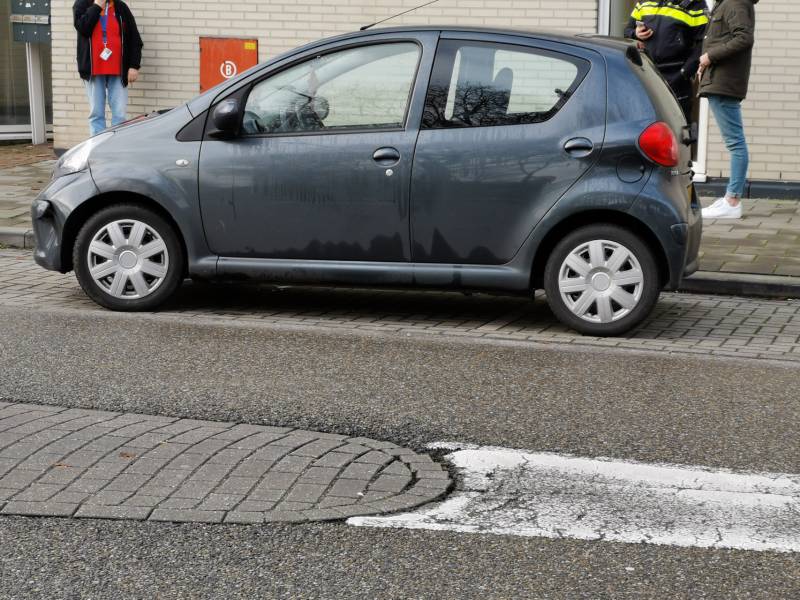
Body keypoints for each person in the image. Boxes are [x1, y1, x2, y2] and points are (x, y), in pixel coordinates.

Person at [698, 0, 758, 220]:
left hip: (724, 82)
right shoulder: (728, 2)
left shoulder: (735, 2)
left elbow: (744, 37)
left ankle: (732, 201)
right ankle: (731, 199)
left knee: (735, 142)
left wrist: (709, 56)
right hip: (720, 80)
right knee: (735, 141)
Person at [624, 1, 709, 121]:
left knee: (678, 128)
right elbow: (627, 31)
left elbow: (704, 44)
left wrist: (683, 73)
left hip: (677, 78)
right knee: (644, 125)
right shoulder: (644, 2)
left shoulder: (695, 4)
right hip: (646, 74)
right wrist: (635, 33)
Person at [73, 0, 143, 136]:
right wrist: (97, 6)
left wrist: (134, 65)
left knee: (120, 114)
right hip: (93, 70)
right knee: (96, 114)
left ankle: (116, 148)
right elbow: (83, 28)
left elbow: (135, 38)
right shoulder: (82, 4)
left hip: (118, 70)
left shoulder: (120, 7)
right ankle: (98, 150)